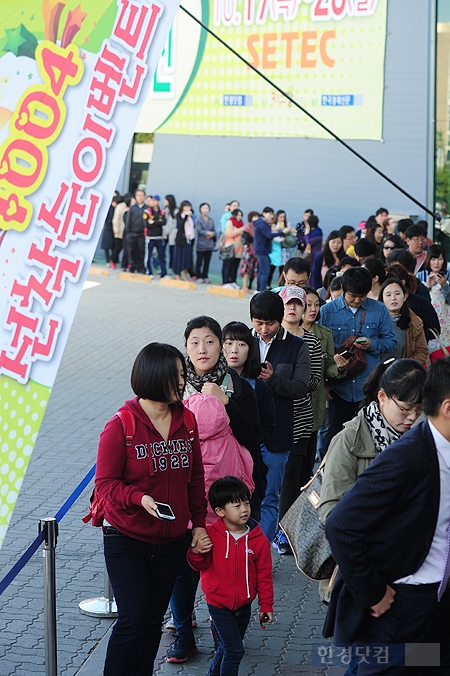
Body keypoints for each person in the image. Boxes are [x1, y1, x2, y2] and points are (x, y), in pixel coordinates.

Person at [324, 358, 450, 673]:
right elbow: (338, 521)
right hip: (394, 600)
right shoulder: (399, 454)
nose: (411, 417)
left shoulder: (433, 446)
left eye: (417, 410)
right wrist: (372, 591)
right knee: (373, 665)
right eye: (405, 408)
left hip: (434, 599)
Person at [94, 343, 208, 676]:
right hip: (126, 538)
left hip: (172, 540)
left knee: (154, 621)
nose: (182, 381)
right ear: (154, 378)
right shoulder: (121, 425)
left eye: (182, 374)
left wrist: (198, 524)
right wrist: (139, 499)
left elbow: (195, 478)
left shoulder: (186, 419)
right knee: (133, 620)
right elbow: (105, 485)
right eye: (176, 376)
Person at [166, 315, 262, 663]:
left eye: (209, 341)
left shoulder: (237, 385)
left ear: (220, 345)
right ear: (186, 347)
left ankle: (224, 630)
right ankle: (182, 631)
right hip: (186, 490)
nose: (202, 349)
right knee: (184, 564)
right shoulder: (175, 387)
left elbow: (253, 435)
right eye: (194, 342)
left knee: (225, 564)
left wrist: (226, 402)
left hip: (228, 494)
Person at [187, 476, 274, 676]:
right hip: (218, 606)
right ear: (220, 511)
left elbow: (264, 575)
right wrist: (195, 552)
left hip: (244, 606)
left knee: (227, 648)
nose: (244, 509)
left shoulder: (258, 539)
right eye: (236, 505)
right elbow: (198, 564)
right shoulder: (210, 535)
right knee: (235, 651)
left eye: (246, 503)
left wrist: (266, 604)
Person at [250, 290, 311, 541]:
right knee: (244, 494)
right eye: (258, 322)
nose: (264, 329)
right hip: (247, 432)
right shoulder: (242, 342)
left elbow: (301, 388)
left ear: (281, 318)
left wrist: (274, 380)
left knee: (270, 496)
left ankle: (261, 554)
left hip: (278, 433)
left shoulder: (296, 346)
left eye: (270, 323)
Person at [318, 267, 396, 448]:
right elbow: (319, 353)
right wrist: (325, 385)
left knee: (368, 441)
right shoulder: (327, 312)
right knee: (336, 440)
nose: (357, 300)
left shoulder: (379, 310)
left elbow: (391, 342)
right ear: (343, 288)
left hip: (367, 388)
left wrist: (372, 344)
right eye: (353, 295)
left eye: (362, 296)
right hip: (338, 389)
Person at [272, 285, 322, 554]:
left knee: (293, 478)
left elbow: (313, 381)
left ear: (304, 309)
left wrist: (289, 383)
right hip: (273, 418)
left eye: (297, 304)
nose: (292, 309)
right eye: (288, 304)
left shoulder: (311, 342)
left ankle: (284, 533)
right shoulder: (271, 339)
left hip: (300, 418)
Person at [222, 321, 277, 520]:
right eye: (228, 343)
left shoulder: (259, 387)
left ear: (250, 349)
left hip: (249, 467)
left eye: (241, 344)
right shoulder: (210, 383)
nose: (234, 350)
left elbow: (269, 428)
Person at [301, 286, 348, 461]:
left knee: (308, 452)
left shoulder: (325, 334)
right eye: (308, 305)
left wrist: (340, 368)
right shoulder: (287, 332)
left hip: (315, 401)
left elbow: (327, 367)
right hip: (292, 402)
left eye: (317, 305)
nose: (313, 309)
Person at [378, 277, 428, 363]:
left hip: (401, 373)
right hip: (375, 373)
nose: (393, 298)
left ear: (405, 296)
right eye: (388, 295)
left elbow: (422, 351)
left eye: (397, 294)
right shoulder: (372, 320)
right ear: (382, 299)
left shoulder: (414, 322)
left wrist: (404, 367)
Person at [417, 244, 450, 344]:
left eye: (439, 259)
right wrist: (427, 287)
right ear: (428, 260)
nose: (436, 263)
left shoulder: (448, 275)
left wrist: (445, 285)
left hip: (446, 320)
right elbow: (419, 300)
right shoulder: (420, 276)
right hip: (428, 318)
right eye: (433, 259)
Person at [254, 207, 287, 292]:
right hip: (262, 251)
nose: (271, 216)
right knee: (265, 271)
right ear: (264, 213)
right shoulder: (262, 224)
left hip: (261, 250)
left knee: (262, 271)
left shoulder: (262, 223)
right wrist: (282, 232)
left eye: (272, 214)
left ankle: (259, 289)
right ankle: (262, 290)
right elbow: (269, 235)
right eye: (269, 214)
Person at [126, 189, 148, 274]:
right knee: (131, 251)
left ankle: (141, 268)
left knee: (141, 251)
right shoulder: (132, 208)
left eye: (142, 195)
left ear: (144, 196)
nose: (140, 197)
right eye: (138, 195)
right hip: (132, 233)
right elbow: (128, 221)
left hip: (142, 234)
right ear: (135, 197)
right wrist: (128, 232)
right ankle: (132, 266)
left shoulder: (147, 208)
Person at [222, 208, 245, 288]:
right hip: (231, 248)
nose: (239, 217)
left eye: (240, 215)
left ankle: (233, 281)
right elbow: (229, 234)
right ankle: (226, 281)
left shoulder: (241, 223)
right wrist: (240, 230)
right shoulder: (230, 222)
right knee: (228, 265)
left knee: (235, 266)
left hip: (239, 249)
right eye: (238, 215)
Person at [173, 200, 195, 281]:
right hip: (180, 240)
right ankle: (178, 275)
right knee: (179, 258)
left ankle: (185, 276)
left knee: (186, 259)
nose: (187, 208)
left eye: (189, 207)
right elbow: (180, 223)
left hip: (188, 240)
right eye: (185, 206)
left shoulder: (192, 216)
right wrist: (186, 216)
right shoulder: (179, 215)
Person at [146, 194, 167, 278]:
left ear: (158, 201)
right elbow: (147, 224)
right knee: (148, 256)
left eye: (155, 200)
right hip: (150, 237)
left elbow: (164, 222)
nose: (152, 202)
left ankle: (163, 273)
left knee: (161, 256)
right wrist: (158, 222)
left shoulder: (162, 211)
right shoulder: (147, 211)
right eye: (151, 200)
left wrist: (154, 222)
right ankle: (149, 272)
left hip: (159, 237)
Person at [195, 202, 216, 283]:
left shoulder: (211, 220)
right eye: (204, 208)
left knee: (207, 262)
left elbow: (214, 230)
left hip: (209, 244)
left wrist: (212, 234)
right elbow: (199, 230)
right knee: (199, 261)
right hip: (201, 244)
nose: (205, 210)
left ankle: (205, 276)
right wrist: (207, 233)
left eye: (207, 208)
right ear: (200, 209)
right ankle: (198, 276)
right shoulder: (198, 220)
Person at [239, 211, 259, 292]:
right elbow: (248, 238)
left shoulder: (259, 227)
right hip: (249, 251)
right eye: (254, 217)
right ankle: (244, 286)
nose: (256, 219)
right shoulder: (248, 227)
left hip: (257, 251)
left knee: (256, 270)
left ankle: (256, 287)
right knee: (246, 269)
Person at [111, 193, 131, 269]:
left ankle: (127, 263)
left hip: (126, 231)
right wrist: (116, 229)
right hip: (119, 230)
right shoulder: (121, 206)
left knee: (126, 248)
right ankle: (113, 261)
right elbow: (116, 219)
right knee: (118, 247)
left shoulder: (130, 207)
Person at [163, 194, 178, 271]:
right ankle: (162, 267)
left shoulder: (176, 211)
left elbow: (174, 224)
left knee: (172, 252)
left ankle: (171, 267)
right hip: (164, 234)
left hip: (172, 234)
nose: (164, 201)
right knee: (162, 251)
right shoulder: (164, 210)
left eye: (165, 200)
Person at [101, 195, 116, 265]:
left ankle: (112, 259)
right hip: (108, 228)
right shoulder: (109, 208)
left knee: (113, 245)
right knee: (106, 246)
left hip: (113, 228)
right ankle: (108, 259)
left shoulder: (116, 208)